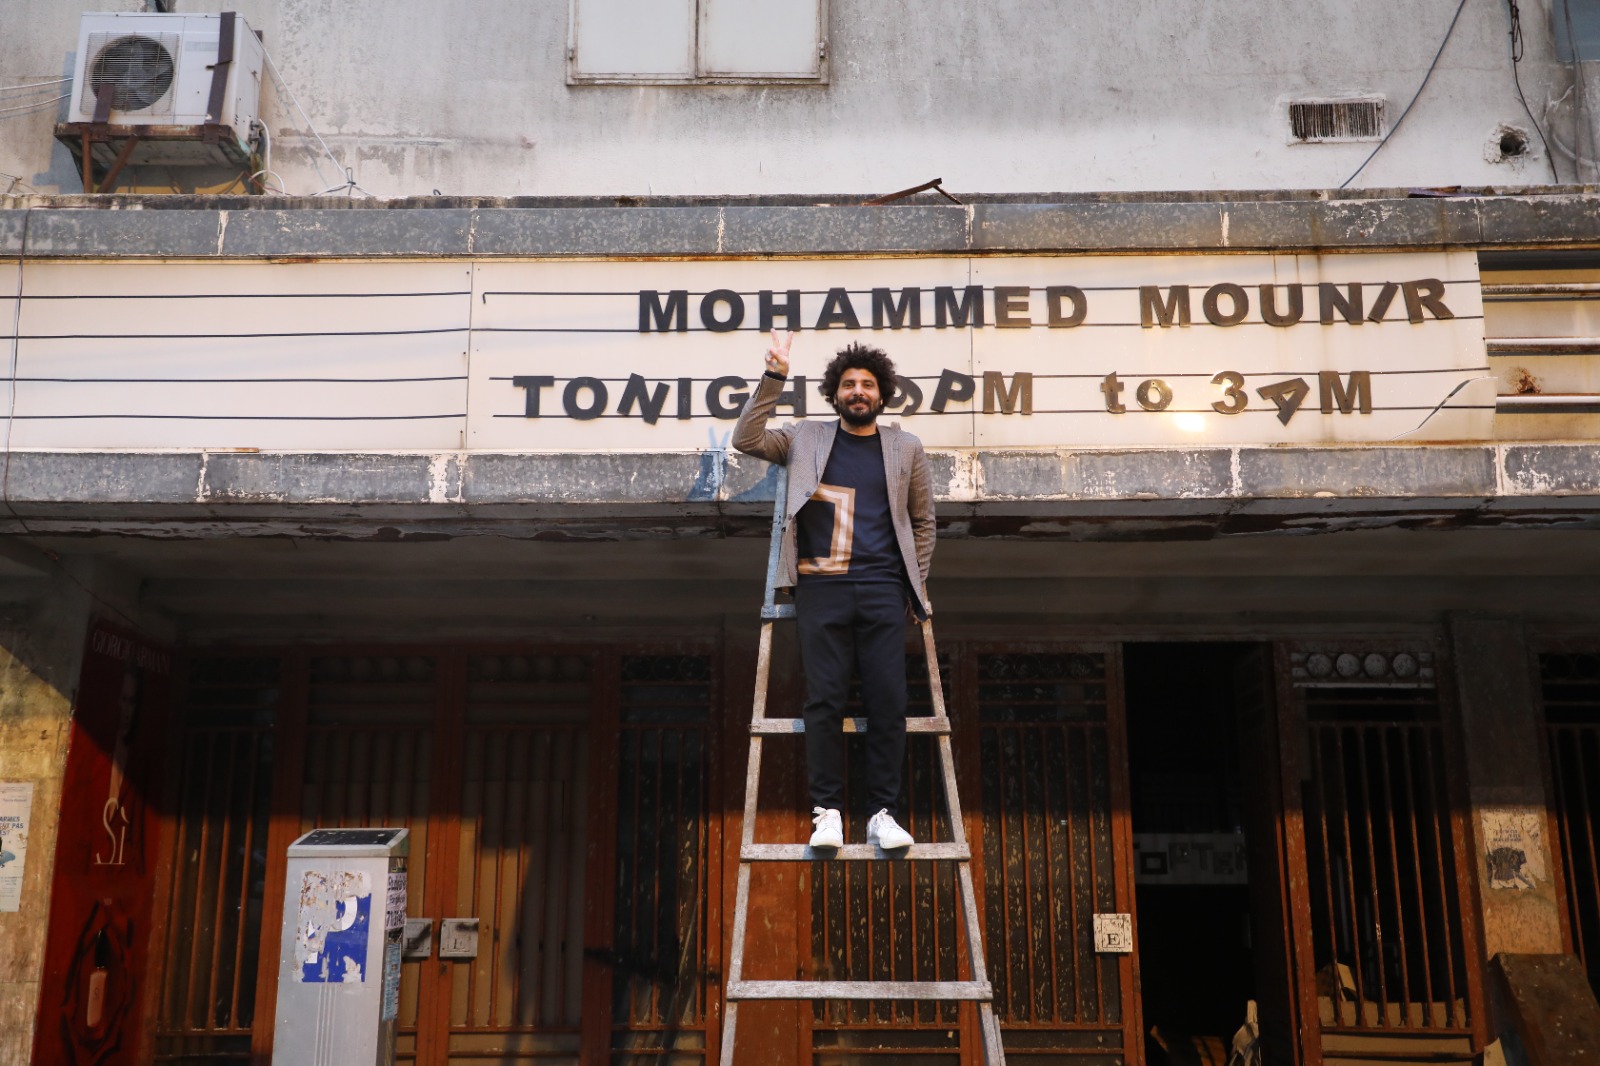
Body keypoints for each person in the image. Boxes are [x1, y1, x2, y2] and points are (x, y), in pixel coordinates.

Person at [733, 329, 935, 851]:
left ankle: (883, 813)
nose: (858, 391)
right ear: (835, 393)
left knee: (888, 701)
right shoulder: (805, 437)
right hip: (820, 586)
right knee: (823, 701)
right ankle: (828, 813)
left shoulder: (905, 447)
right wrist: (774, 374)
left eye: (867, 384)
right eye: (848, 384)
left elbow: (923, 521)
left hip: (883, 587)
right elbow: (746, 438)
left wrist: (914, 585)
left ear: (882, 393)